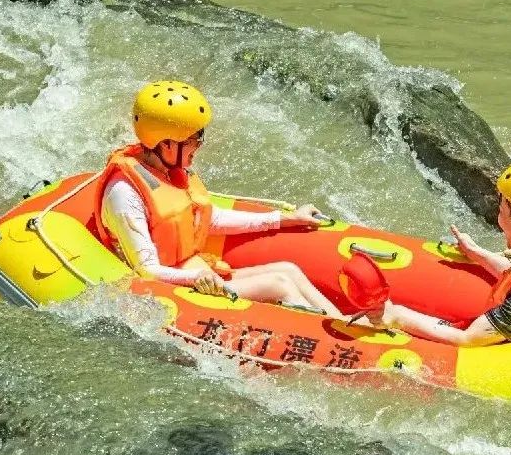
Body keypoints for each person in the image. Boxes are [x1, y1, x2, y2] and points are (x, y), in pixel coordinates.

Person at [94, 80, 342, 316]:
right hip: (172, 288)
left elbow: (206, 219)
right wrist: (194, 277)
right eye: (193, 139)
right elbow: (147, 270)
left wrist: (284, 219)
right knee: (279, 284)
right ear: (166, 144)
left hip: (195, 272)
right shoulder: (124, 194)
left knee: (289, 270)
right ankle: (338, 348)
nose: (199, 145)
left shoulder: (169, 170)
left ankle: (350, 328)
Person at [367, 159, 511, 345]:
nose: (499, 220)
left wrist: (397, 316)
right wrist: (476, 252)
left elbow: (468, 338)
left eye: (502, 212)